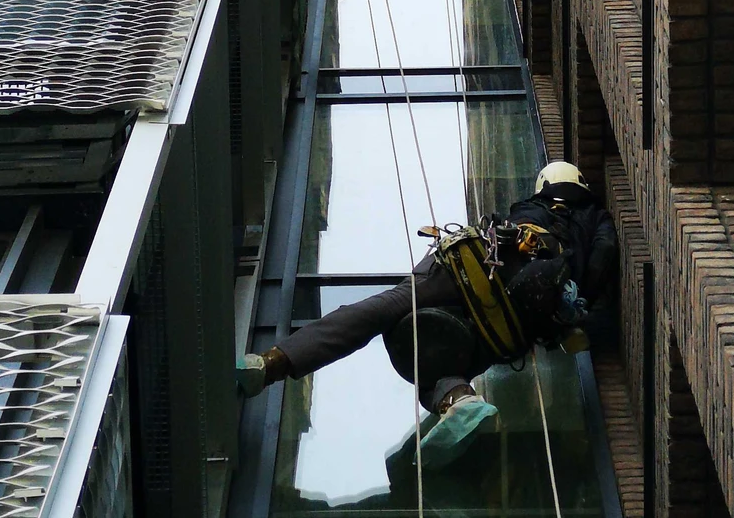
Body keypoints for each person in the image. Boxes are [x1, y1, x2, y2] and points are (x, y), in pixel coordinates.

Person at [239, 160, 619, 436]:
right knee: (446, 364)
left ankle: (270, 363)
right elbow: (602, 257)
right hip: (521, 319)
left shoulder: (529, 208)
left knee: (384, 310)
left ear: (544, 183)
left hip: (473, 272)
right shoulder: (596, 218)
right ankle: (456, 398)